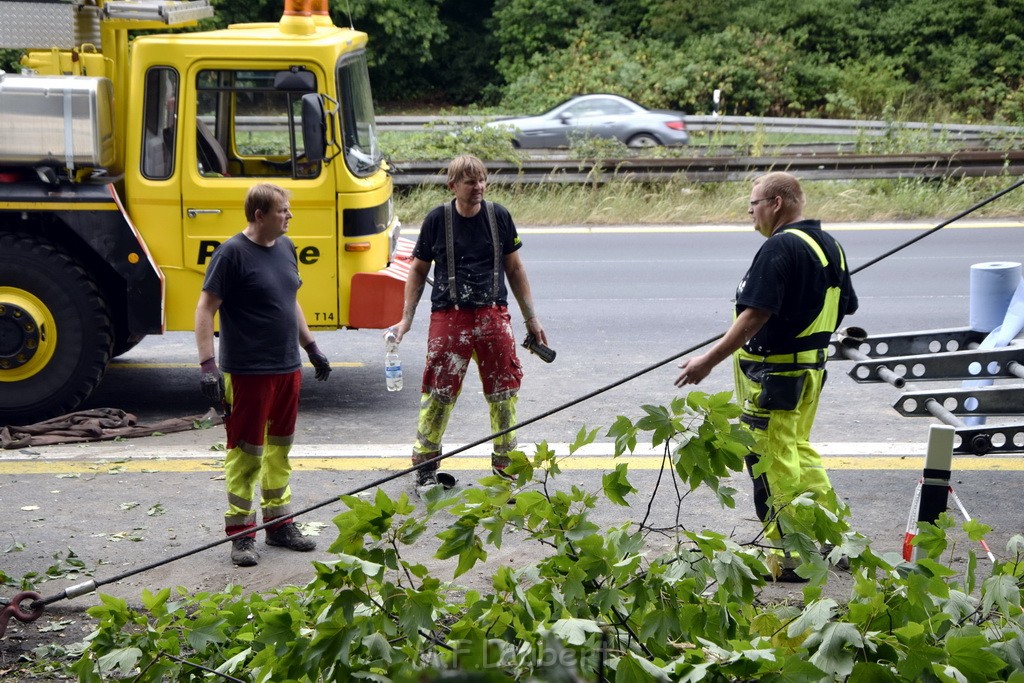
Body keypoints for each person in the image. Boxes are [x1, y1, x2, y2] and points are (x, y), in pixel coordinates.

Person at [674, 171, 858, 580]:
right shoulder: (829, 245)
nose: (750, 213)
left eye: (754, 204)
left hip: (774, 381)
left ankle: (789, 559)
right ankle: (835, 542)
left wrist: (709, 359)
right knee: (799, 454)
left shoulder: (780, 247)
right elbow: (845, 305)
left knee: (770, 466)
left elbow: (756, 313)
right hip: (809, 374)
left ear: (776, 203)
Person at [389, 154, 548, 489]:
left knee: (504, 393)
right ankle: (426, 470)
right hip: (451, 316)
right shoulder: (438, 219)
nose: (478, 187)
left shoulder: (498, 216)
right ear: (453, 186)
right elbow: (417, 271)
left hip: (493, 315)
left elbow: (515, 269)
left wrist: (531, 319)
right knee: (439, 393)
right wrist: (406, 319)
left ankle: (505, 470)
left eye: (482, 180)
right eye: (470, 181)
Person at [195, 182, 332, 567]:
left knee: (279, 450)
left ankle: (279, 525)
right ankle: (241, 535)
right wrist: (208, 367)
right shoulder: (231, 254)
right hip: (247, 373)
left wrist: (312, 348)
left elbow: (290, 301)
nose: (290, 216)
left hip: (287, 368)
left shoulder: (286, 248)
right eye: (283, 211)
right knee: (246, 454)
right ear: (260, 215)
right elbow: (205, 309)